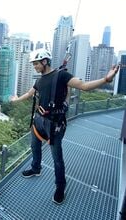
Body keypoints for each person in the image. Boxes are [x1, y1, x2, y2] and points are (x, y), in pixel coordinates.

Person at [10, 48, 120, 205]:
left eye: (36, 64)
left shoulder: (61, 75)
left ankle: (60, 186)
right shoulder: (39, 80)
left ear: (45, 61)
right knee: (34, 146)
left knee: (57, 158)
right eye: (33, 64)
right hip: (39, 120)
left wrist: (106, 80)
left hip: (54, 123)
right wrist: (16, 100)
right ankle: (36, 168)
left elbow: (84, 86)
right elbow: (29, 94)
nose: (34, 67)